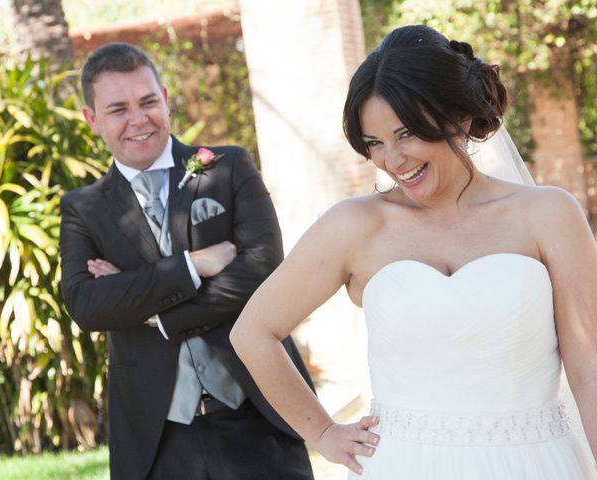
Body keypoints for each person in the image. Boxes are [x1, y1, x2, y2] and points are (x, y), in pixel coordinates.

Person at [230, 25, 597, 479]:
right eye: (375, 144)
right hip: (401, 464)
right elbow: (253, 332)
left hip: (535, 464)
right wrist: (323, 434)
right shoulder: (354, 226)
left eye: (406, 133)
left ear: (460, 118)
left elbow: (589, 371)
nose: (393, 160)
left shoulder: (549, 214)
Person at [59, 43, 314, 480]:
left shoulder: (227, 167)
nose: (138, 120)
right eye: (118, 109)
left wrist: (152, 312)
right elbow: (87, 305)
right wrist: (194, 266)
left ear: (166, 97)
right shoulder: (84, 208)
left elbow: (263, 272)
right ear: (92, 119)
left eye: (148, 102)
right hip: (157, 442)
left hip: (257, 418)